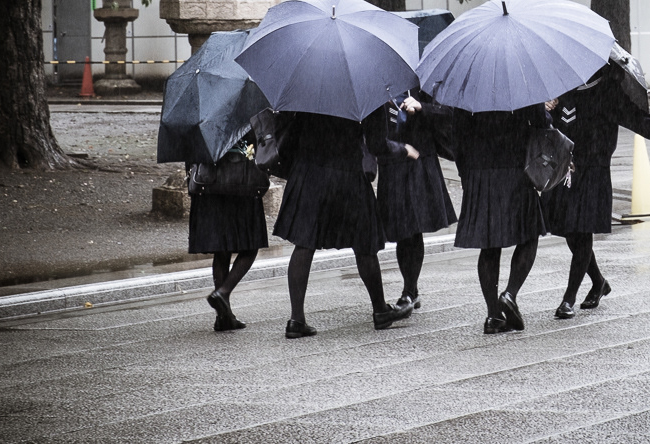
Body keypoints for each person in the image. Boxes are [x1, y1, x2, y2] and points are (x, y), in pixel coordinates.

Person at [542, 62, 650, 320]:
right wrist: (544, 108)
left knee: (582, 230)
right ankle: (598, 282)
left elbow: (642, 120)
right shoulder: (561, 89)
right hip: (565, 170)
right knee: (570, 231)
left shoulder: (608, 91)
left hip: (594, 171)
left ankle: (568, 298)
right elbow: (545, 126)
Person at [403, 96, 549, 334]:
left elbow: (457, 134)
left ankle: (493, 315)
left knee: (489, 244)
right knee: (529, 234)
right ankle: (510, 294)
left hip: (479, 172)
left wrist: (466, 173)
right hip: (515, 169)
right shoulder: (522, 87)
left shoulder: (469, 89)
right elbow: (542, 124)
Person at [272, 107, 420, 338]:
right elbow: (377, 145)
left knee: (304, 242)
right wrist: (403, 149)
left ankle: (296, 319)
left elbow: (290, 128)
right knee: (364, 244)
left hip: (309, 171)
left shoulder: (310, 92)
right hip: (347, 174)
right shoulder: (365, 96)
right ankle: (380, 310)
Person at [377, 90, 457, 310]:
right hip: (392, 161)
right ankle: (411, 289)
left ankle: (409, 290)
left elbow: (449, 113)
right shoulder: (378, 86)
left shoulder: (423, 83)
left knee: (413, 227)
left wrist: (422, 107)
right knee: (402, 230)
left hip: (419, 159)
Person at [187, 144, 268, 332]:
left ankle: (224, 316)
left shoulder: (204, 127)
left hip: (210, 181)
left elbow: (191, 151)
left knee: (222, 248)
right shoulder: (244, 124)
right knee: (250, 246)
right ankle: (223, 293)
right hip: (241, 183)